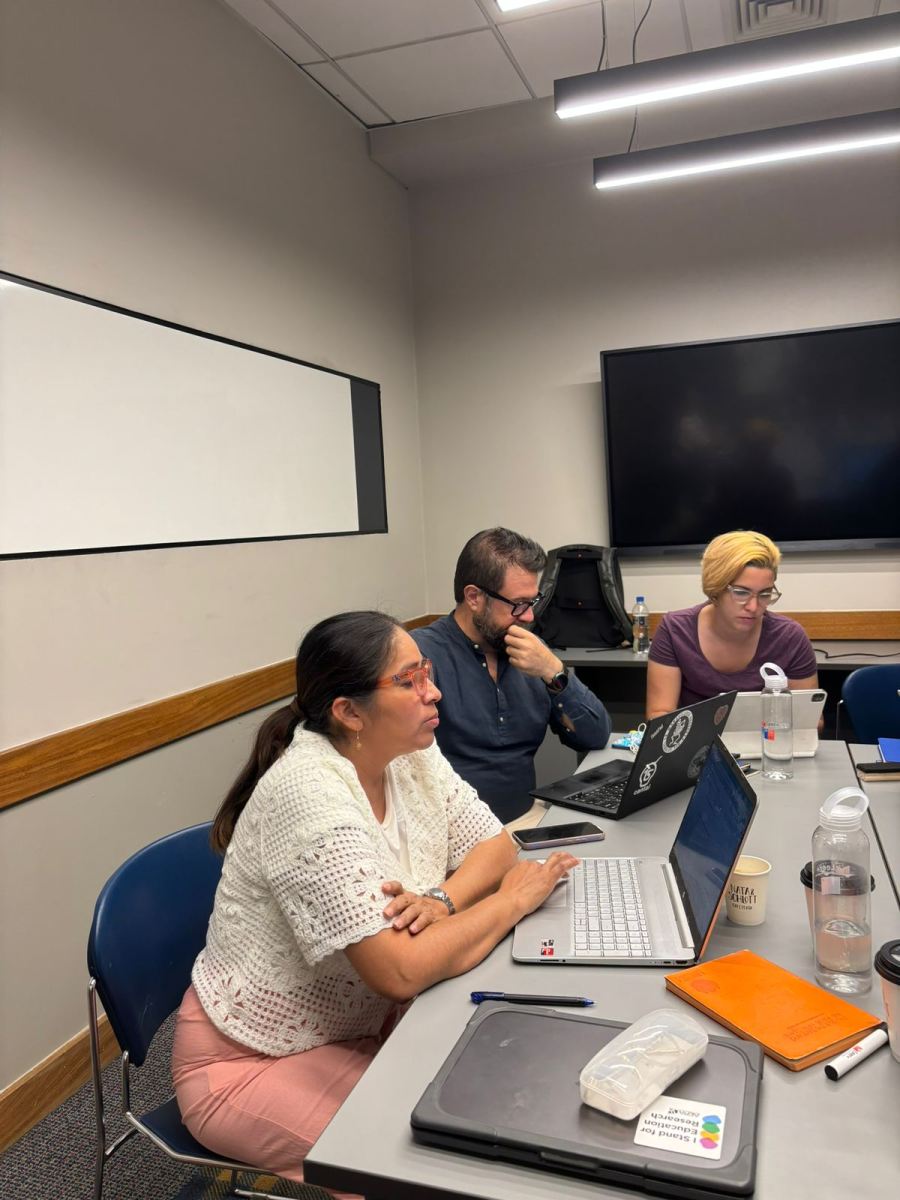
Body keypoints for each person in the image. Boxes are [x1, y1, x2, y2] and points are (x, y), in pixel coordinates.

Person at [171, 610, 576, 1186]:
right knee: (431, 1163)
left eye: (427, 672)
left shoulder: (409, 749)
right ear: (349, 712)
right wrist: (511, 902)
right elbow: (399, 971)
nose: (433, 692)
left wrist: (442, 900)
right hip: (249, 1059)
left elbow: (494, 846)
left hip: (362, 1025)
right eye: (410, 680)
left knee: (499, 1099)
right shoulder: (308, 794)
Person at [412, 528, 612, 822]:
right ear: (474, 597)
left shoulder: (531, 652)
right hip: (449, 830)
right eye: (518, 604)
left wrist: (553, 671)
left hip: (526, 818)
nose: (529, 616)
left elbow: (595, 736)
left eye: (533, 602)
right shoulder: (421, 655)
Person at [646, 530, 819, 719]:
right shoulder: (676, 630)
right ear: (715, 588)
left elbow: (811, 721)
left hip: (768, 736)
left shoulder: (789, 637)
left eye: (765, 594)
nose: (753, 607)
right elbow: (659, 716)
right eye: (741, 593)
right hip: (694, 738)